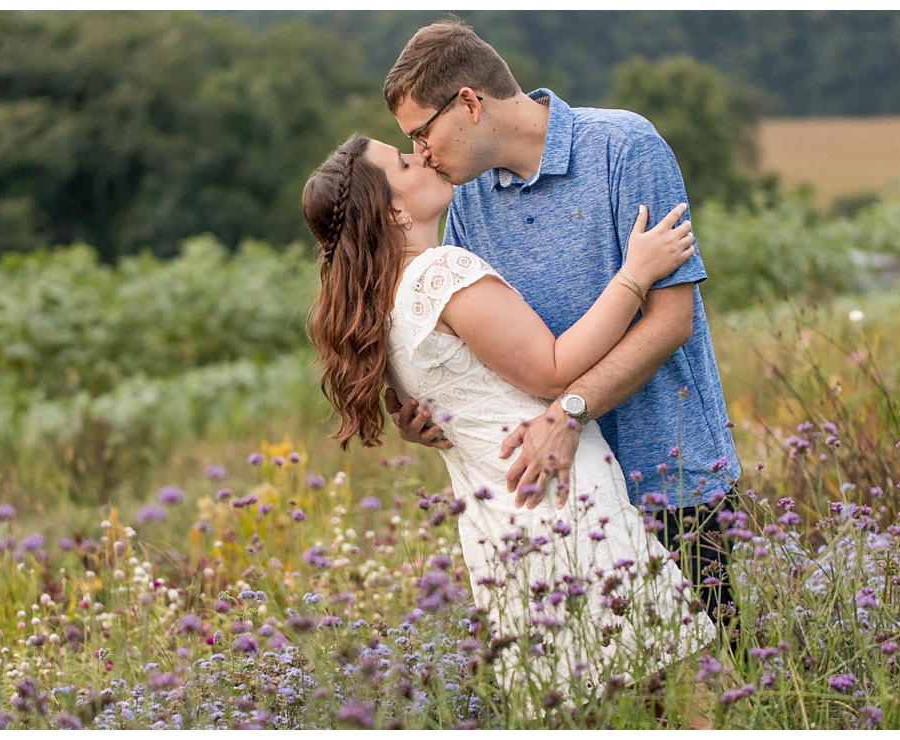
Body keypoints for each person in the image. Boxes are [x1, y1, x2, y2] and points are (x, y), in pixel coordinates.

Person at [302, 133, 715, 700]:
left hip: (500, 528)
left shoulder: (379, 301)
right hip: (565, 498)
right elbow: (551, 371)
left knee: (589, 706)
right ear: (394, 212)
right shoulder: (439, 273)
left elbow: (448, 402)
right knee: (693, 694)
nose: (420, 155)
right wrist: (635, 274)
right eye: (402, 161)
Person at [383, 21, 742, 630]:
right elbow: (490, 346)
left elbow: (671, 320)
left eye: (422, 132)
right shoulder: (466, 202)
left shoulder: (625, 146)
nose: (421, 155)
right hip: (566, 493)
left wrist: (570, 410)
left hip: (670, 475)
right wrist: (431, 412)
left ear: (468, 103)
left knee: (718, 691)